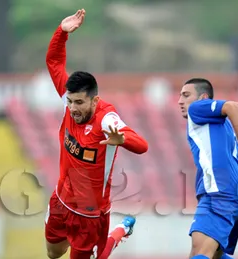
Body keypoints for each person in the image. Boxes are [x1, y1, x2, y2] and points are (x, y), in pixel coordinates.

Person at [44, 9, 149, 259]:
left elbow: (142, 145)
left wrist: (122, 139)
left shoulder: (107, 118)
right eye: (70, 101)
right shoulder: (68, 101)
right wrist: (62, 32)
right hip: (61, 199)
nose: (73, 108)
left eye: (79, 102)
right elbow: (54, 63)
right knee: (53, 253)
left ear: (94, 100)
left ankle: (119, 232)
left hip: (90, 213)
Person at [177, 78, 238, 259]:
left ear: (203, 98)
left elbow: (234, 106)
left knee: (199, 253)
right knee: (213, 255)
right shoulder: (227, 133)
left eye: (186, 95)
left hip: (218, 195)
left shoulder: (196, 109)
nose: (180, 101)